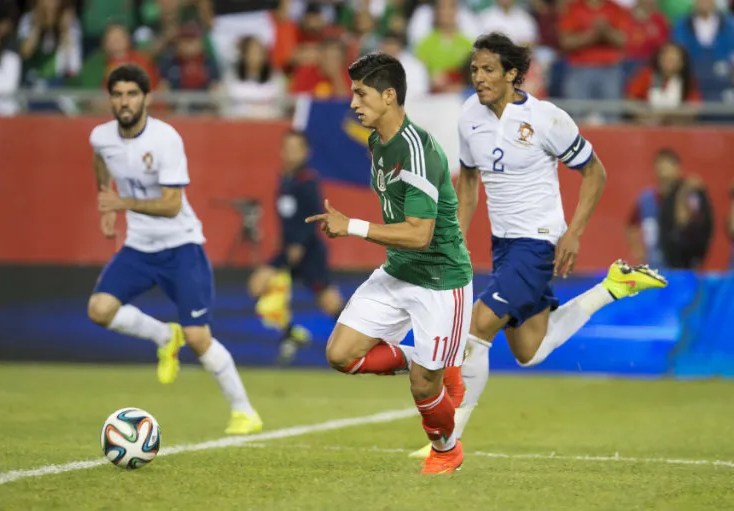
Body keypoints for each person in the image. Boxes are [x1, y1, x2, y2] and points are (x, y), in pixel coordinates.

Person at [409, 33, 668, 456]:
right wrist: (452, 242)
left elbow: (595, 173)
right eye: (475, 69)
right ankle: (612, 288)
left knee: (475, 329)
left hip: (537, 244)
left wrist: (575, 232)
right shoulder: (468, 115)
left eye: (489, 69)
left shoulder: (546, 118)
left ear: (513, 74)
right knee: (529, 351)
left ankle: (447, 439)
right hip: (504, 247)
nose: (479, 78)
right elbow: (470, 184)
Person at [306, 52, 473, 475]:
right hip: (400, 271)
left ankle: (446, 449)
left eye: (361, 94)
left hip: (440, 280)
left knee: (423, 387)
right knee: (341, 354)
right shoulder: (379, 141)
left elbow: (421, 234)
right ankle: (429, 361)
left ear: (389, 95)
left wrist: (353, 227)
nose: (353, 104)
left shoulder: (418, 152)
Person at [87, 63, 262, 435]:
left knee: (199, 336)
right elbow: (101, 161)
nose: (125, 101)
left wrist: (122, 205)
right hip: (139, 247)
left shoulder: (165, 139)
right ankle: (165, 337)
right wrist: (106, 200)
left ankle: (244, 411)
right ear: (110, 100)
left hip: (181, 245)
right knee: (99, 309)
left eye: (132, 94)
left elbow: (170, 204)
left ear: (147, 98)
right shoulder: (101, 137)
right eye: (117, 94)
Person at [248, 129, 345, 365]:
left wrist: (299, 244)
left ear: (305, 152)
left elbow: (314, 216)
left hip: (308, 251)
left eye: (295, 149)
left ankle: (358, 338)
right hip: (287, 250)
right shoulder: (284, 179)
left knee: (329, 303)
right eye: (287, 148)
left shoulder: (308, 181)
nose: (290, 153)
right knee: (257, 285)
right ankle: (291, 333)